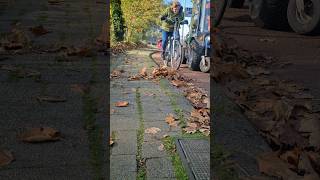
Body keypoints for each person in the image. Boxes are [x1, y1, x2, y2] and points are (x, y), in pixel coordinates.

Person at [160, 1, 184, 67]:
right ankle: (163, 52)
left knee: (177, 38)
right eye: (175, 9)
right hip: (166, 28)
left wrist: (183, 21)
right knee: (165, 40)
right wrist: (162, 17)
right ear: (172, 8)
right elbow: (162, 15)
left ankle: (176, 51)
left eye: (178, 9)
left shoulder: (181, 12)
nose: (176, 10)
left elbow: (182, 19)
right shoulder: (168, 10)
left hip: (175, 28)